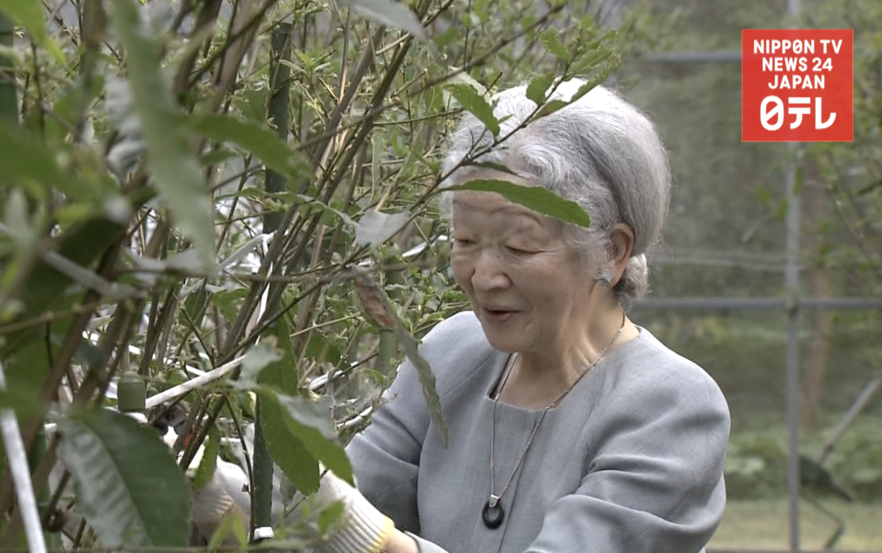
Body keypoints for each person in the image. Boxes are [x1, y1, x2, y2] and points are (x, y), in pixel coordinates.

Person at [194, 78, 731, 553]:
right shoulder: (452, 355)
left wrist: (369, 539)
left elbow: (348, 526)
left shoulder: (672, 409)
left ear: (610, 251)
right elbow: (323, 518)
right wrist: (216, 490)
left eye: (520, 247)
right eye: (465, 240)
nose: (483, 275)